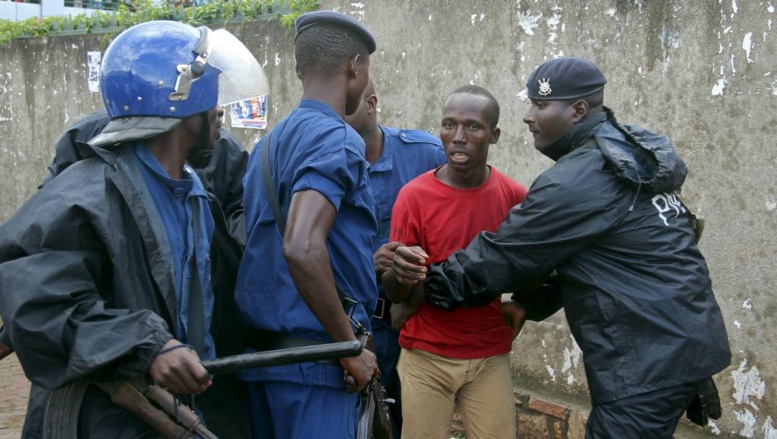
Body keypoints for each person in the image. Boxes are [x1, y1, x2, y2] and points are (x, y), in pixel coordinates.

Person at [391, 57, 732, 438]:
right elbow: (580, 256)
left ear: (578, 111)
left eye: (540, 105)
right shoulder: (627, 151)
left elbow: (503, 256)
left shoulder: (582, 178)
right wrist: (529, 304)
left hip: (649, 355)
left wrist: (419, 293)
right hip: (677, 339)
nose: (528, 116)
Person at [0, 20, 268, 438]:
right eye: (211, 96)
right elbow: (38, 306)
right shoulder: (86, 194)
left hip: (182, 411)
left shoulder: (196, 192)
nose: (220, 110)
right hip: (105, 420)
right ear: (179, 99)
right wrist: (147, 345)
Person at [233, 10, 380, 439]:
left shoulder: (268, 145)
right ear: (355, 67)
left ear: (299, 68)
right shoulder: (337, 138)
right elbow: (300, 245)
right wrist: (347, 346)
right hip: (318, 366)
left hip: (266, 364)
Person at [381, 85, 528, 439]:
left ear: (493, 135)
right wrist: (400, 273)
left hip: (488, 355)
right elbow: (397, 293)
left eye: (472, 127)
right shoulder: (414, 196)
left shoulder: (515, 197)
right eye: (449, 125)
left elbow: (534, 266)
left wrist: (523, 303)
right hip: (426, 356)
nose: (458, 137)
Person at [342, 78, 446, 436]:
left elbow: (453, 229)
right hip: (351, 329)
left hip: (412, 328)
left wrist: (415, 301)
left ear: (370, 104)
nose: (333, 118)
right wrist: (367, 265)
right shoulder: (325, 161)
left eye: (345, 105)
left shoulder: (424, 155)